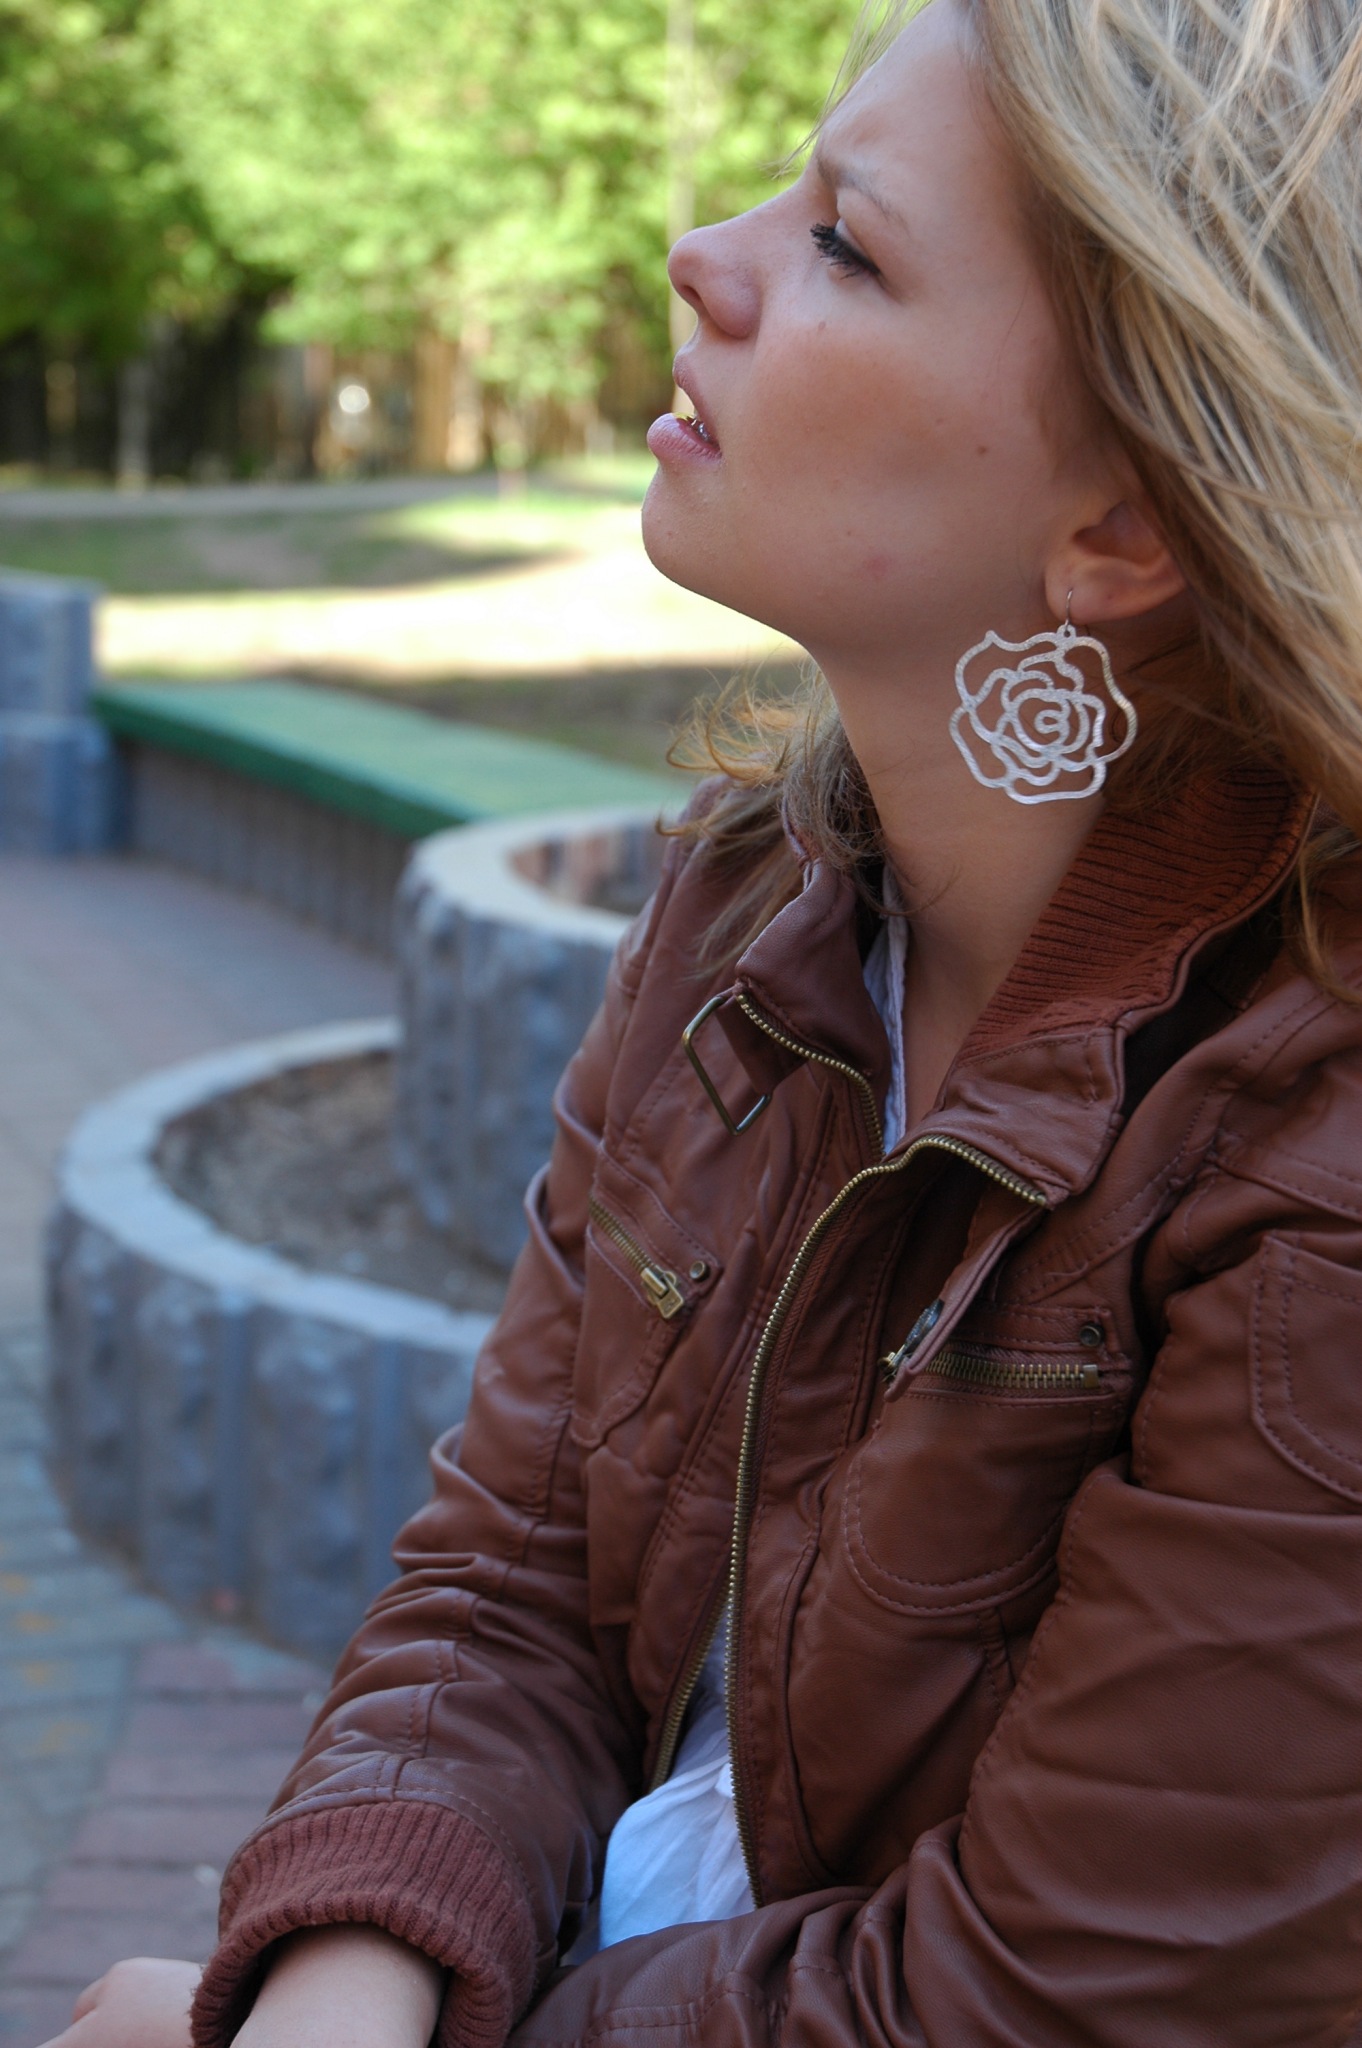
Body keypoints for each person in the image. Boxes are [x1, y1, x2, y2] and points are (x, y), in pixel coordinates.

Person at [47, 0, 1362, 2041]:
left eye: (845, 242)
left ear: (1124, 529)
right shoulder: (751, 910)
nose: (702, 256)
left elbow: (1047, 2001)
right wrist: (344, 1965)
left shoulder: (1311, 1145)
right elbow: (511, 1580)